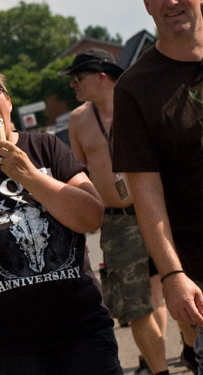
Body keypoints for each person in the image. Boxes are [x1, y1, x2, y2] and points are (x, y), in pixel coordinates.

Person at [0, 57, 120, 375]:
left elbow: (91, 217)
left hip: (81, 326)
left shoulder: (47, 148)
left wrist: (31, 176)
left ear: (8, 101)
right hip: (7, 345)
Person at [113, 0, 203, 373]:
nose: (172, 1)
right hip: (197, 266)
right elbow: (146, 192)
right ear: (147, 5)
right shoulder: (135, 88)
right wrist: (172, 275)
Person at [63, 49, 169, 375]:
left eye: (77, 78)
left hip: (158, 210)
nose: (73, 85)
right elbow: (82, 170)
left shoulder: (137, 102)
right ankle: (160, 369)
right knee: (136, 307)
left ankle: (185, 356)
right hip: (118, 221)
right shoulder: (78, 120)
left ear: (101, 75)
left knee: (171, 291)